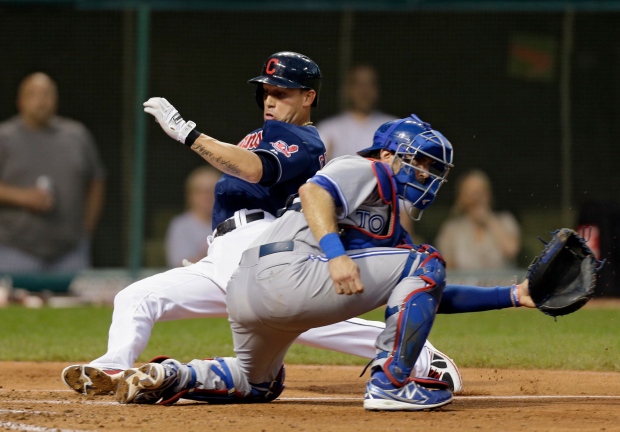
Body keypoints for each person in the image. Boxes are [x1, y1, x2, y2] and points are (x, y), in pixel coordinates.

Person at [62, 52, 461, 397]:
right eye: (267, 91)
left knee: (296, 319)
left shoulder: (303, 140)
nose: (270, 99)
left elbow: (255, 170)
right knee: (137, 298)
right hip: (223, 250)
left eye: (282, 92)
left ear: (309, 97)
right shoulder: (266, 132)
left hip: (258, 241)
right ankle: (114, 366)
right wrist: (218, 254)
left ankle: (423, 357)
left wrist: (188, 134)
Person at [114, 115, 535, 411]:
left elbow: (428, 289)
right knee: (424, 260)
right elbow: (316, 193)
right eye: (420, 162)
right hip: (287, 273)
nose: (426, 174)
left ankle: (175, 377)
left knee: (257, 384)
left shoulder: (391, 227)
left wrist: (514, 296)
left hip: (249, 293)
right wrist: (335, 255)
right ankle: (391, 384)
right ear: (391, 154)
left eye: (432, 168)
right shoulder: (367, 167)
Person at [0, 72, 105, 273]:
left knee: (76, 305)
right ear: (20, 101)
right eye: (34, 95)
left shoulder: (77, 136)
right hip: (14, 250)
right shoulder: (4, 137)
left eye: (47, 94)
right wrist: (24, 197)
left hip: (70, 253)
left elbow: (97, 181)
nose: (41, 101)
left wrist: (86, 231)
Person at [435, 169, 521, 270]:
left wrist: (489, 219)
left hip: (501, 283)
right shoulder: (451, 228)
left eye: (480, 191)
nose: (475, 197)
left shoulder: (505, 220)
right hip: (466, 284)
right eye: (470, 192)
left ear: (489, 194)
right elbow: (446, 266)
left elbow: (512, 250)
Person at [316, 64, 396, 161]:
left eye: (370, 84)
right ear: (347, 89)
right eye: (358, 84)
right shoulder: (328, 129)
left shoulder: (394, 128)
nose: (364, 91)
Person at [165, 166, 220, 268]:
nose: (207, 197)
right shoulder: (180, 226)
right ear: (190, 195)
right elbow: (181, 265)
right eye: (200, 191)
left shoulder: (232, 222)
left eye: (212, 190)